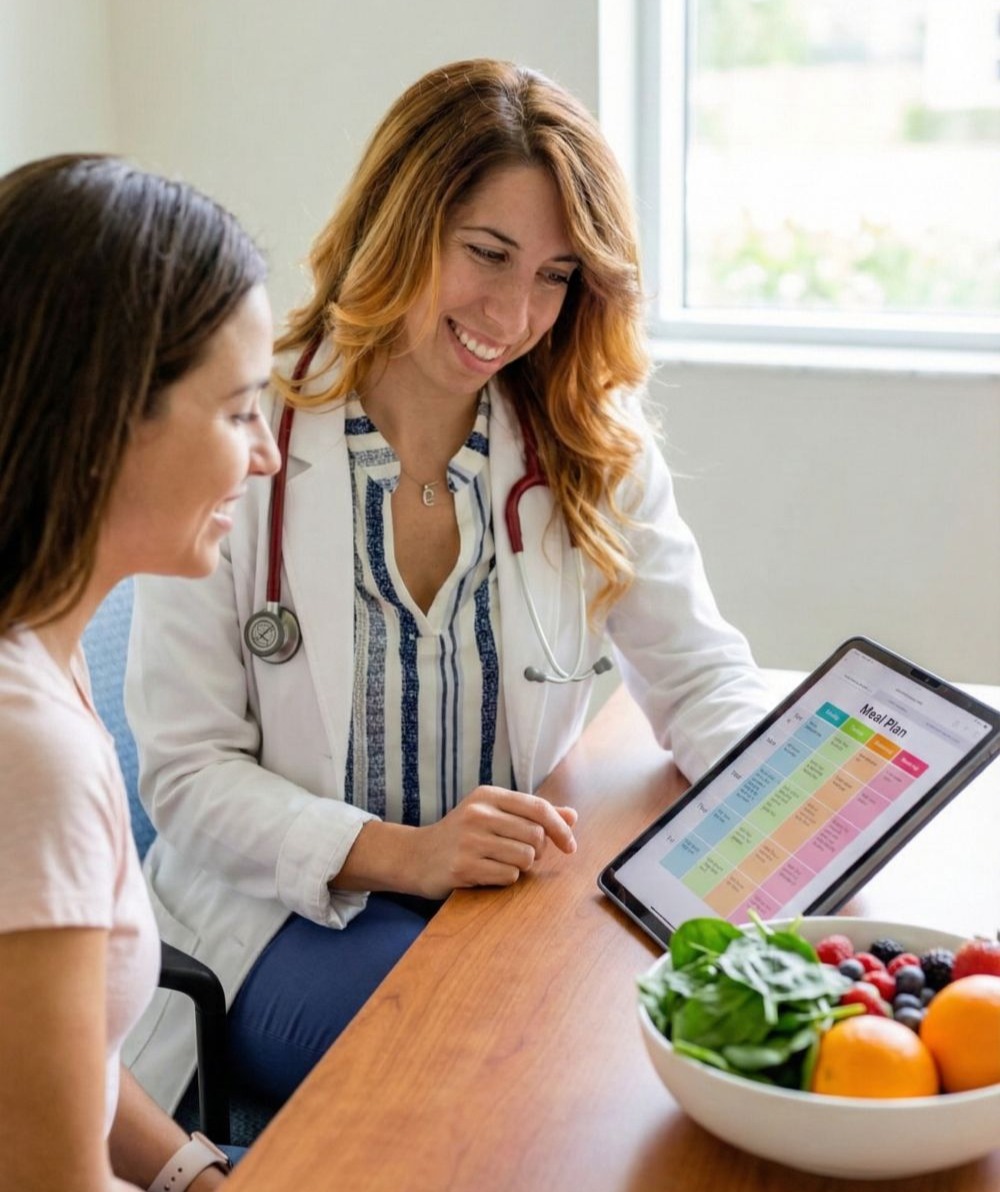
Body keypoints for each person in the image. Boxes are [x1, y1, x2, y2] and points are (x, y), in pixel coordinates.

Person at [124, 58, 772, 1113]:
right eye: (488, 253)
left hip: (496, 901)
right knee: (492, 1071)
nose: (516, 313)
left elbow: (699, 674)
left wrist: (789, 811)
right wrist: (407, 854)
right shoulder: (245, 429)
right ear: (400, 222)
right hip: (282, 915)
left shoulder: (581, 441)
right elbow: (188, 777)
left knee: (664, 1028)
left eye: (558, 276)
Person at [0, 154, 280, 1192]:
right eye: (238, 410)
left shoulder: (40, 657)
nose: (266, 456)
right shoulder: (28, 751)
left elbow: (57, 1060)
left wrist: (196, 1179)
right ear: (110, 416)